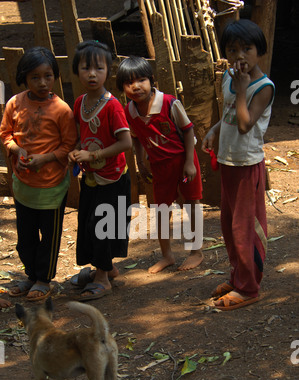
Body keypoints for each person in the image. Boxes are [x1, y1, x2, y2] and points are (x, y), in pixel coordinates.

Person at [201, 19, 275, 311]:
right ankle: (238, 276)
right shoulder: (229, 78)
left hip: (246, 163)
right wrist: (215, 130)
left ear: (260, 50)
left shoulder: (263, 87)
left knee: (245, 227)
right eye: (233, 49)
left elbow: (245, 125)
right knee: (229, 225)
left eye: (247, 48)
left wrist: (243, 89)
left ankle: (249, 288)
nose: (240, 55)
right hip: (228, 160)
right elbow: (231, 113)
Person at [0, 47, 78, 301]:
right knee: (25, 237)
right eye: (35, 77)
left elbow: (68, 145)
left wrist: (45, 158)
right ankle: (31, 275)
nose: (42, 82)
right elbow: (5, 134)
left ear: (54, 76)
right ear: (24, 78)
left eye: (47, 76)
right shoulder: (15, 103)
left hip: (52, 186)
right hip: (24, 184)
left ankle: (44, 279)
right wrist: (16, 150)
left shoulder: (62, 110)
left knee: (50, 236)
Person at [116, 56, 203, 274]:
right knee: (161, 210)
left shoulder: (169, 103)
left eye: (141, 80)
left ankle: (196, 251)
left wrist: (190, 163)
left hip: (183, 162)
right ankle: (167, 255)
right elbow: (135, 137)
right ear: (122, 88)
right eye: (129, 83)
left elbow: (188, 129)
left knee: (191, 204)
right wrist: (140, 160)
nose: (136, 86)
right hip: (159, 166)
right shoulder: (130, 111)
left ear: (152, 80)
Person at [69, 40, 132, 300]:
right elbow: (80, 136)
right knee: (88, 223)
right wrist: (76, 150)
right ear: (77, 71)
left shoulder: (112, 106)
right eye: (86, 68)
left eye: (99, 68)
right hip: (92, 177)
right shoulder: (80, 103)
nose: (92, 74)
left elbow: (125, 142)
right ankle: (106, 267)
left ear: (109, 72)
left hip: (113, 178)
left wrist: (92, 154)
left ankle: (103, 278)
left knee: (103, 226)